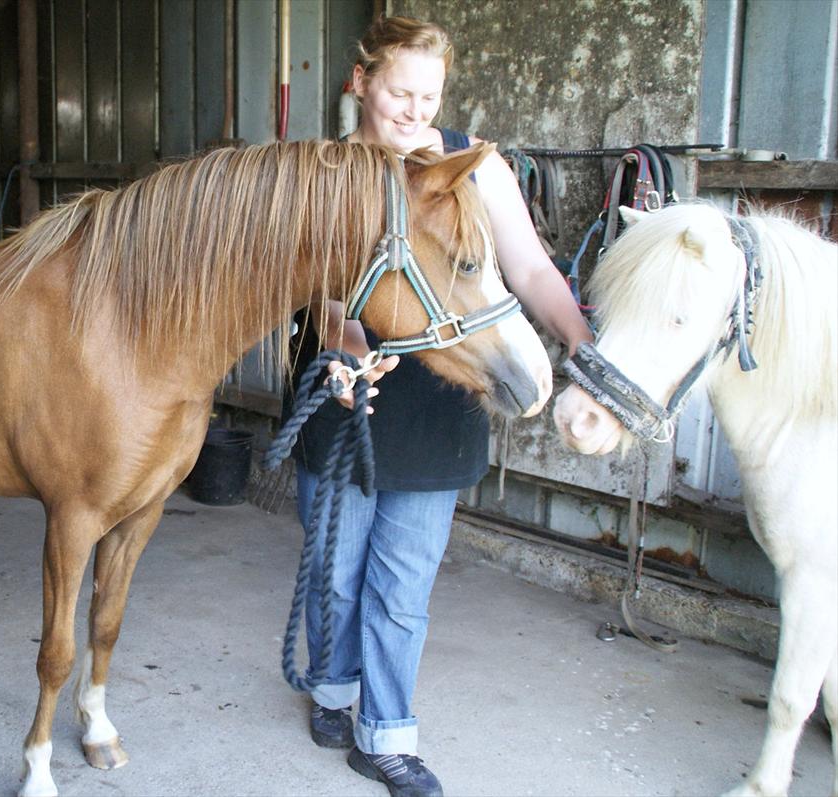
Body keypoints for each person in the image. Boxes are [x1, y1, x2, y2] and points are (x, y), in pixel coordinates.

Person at [287, 15, 593, 797]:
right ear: (360, 82)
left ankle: (385, 737)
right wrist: (345, 339)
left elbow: (527, 269)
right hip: (343, 395)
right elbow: (309, 284)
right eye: (399, 91)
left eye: (430, 95)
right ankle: (331, 686)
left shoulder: (471, 167)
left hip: (438, 404)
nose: (416, 111)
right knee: (336, 573)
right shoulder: (320, 172)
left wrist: (580, 344)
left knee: (401, 587)